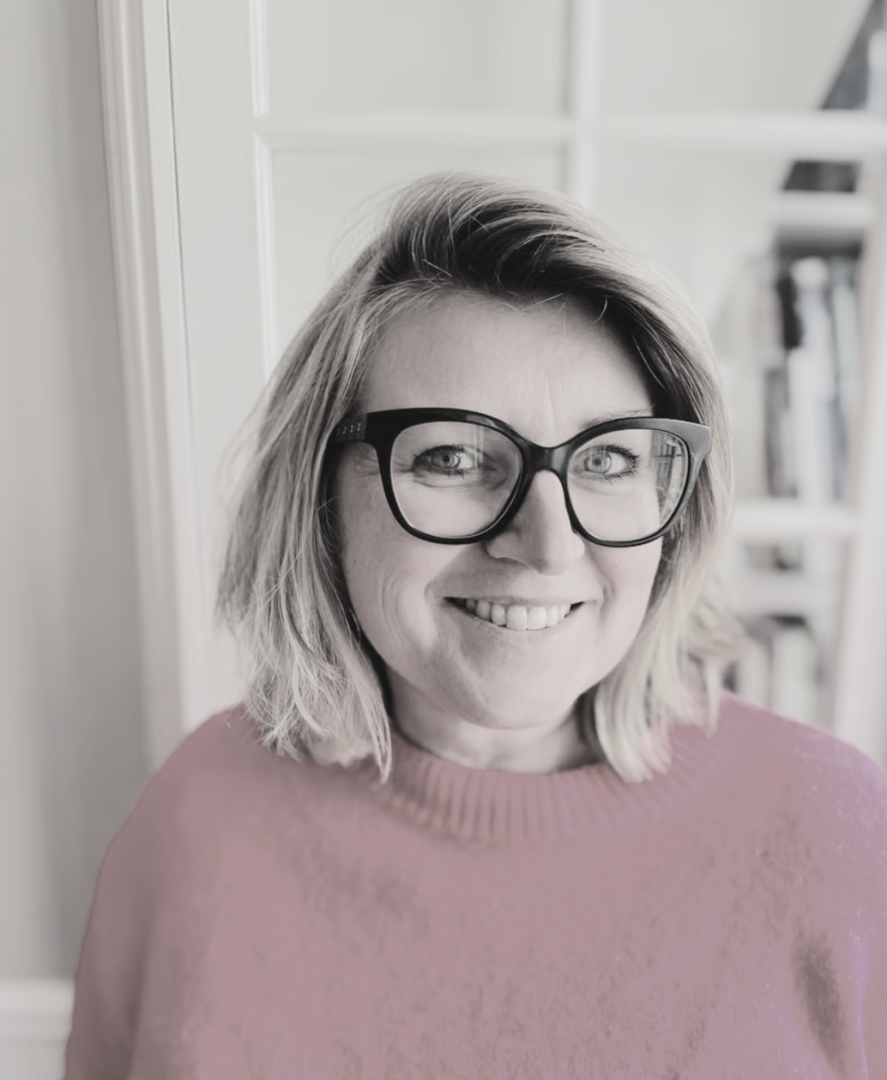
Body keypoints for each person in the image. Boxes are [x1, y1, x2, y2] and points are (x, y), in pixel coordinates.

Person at [65, 173, 887, 1078]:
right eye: (453, 458)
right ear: (321, 498)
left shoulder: (840, 835)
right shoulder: (197, 821)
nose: (547, 544)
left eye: (610, 460)